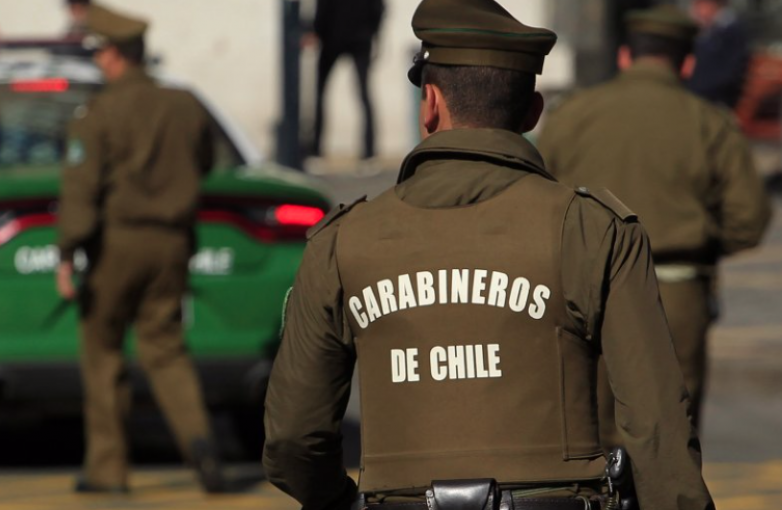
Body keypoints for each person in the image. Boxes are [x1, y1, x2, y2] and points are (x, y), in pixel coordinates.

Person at [263, 1, 715, 509]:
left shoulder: (343, 242)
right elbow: (657, 431)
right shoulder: (592, 230)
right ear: (532, 111)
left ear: (429, 103)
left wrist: (340, 501)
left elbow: (292, 438)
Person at [538, 5, 772, 435]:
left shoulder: (571, 115)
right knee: (669, 438)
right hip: (676, 293)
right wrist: (700, 238)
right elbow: (748, 220)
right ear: (688, 62)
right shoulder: (708, 122)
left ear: (625, 56)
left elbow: (536, 200)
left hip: (586, 292)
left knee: (589, 435)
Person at [55, 4, 223, 494]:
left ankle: (108, 470)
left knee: (104, 352)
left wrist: (67, 254)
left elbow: (81, 192)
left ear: (112, 56)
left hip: (117, 243)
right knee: (167, 349)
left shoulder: (99, 112)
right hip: (172, 243)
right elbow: (207, 161)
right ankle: (200, 444)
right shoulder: (184, 103)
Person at [310, 0, 385, 160]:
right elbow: (378, 8)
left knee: (321, 93)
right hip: (356, 38)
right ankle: (369, 152)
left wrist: (317, 31)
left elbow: (322, 8)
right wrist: (373, 34)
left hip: (334, 37)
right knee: (363, 94)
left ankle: (316, 150)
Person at [687, 0, 750, 109]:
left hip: (714, 99)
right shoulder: (707, 30)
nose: (695, 11)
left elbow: (729, 74)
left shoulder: (730, 32)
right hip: (699, 94)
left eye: (698, 5)